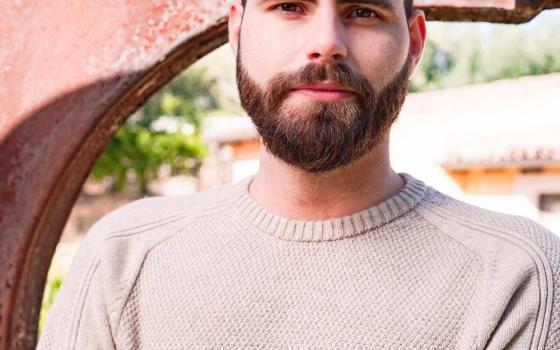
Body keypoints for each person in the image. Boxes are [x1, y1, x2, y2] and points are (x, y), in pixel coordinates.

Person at [38, 0, 560, 348]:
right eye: (290, 5)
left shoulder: (516, 276)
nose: (326, 42)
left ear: (415, 42)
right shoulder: (122, 260)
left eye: (362, 10)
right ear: (237, 31)